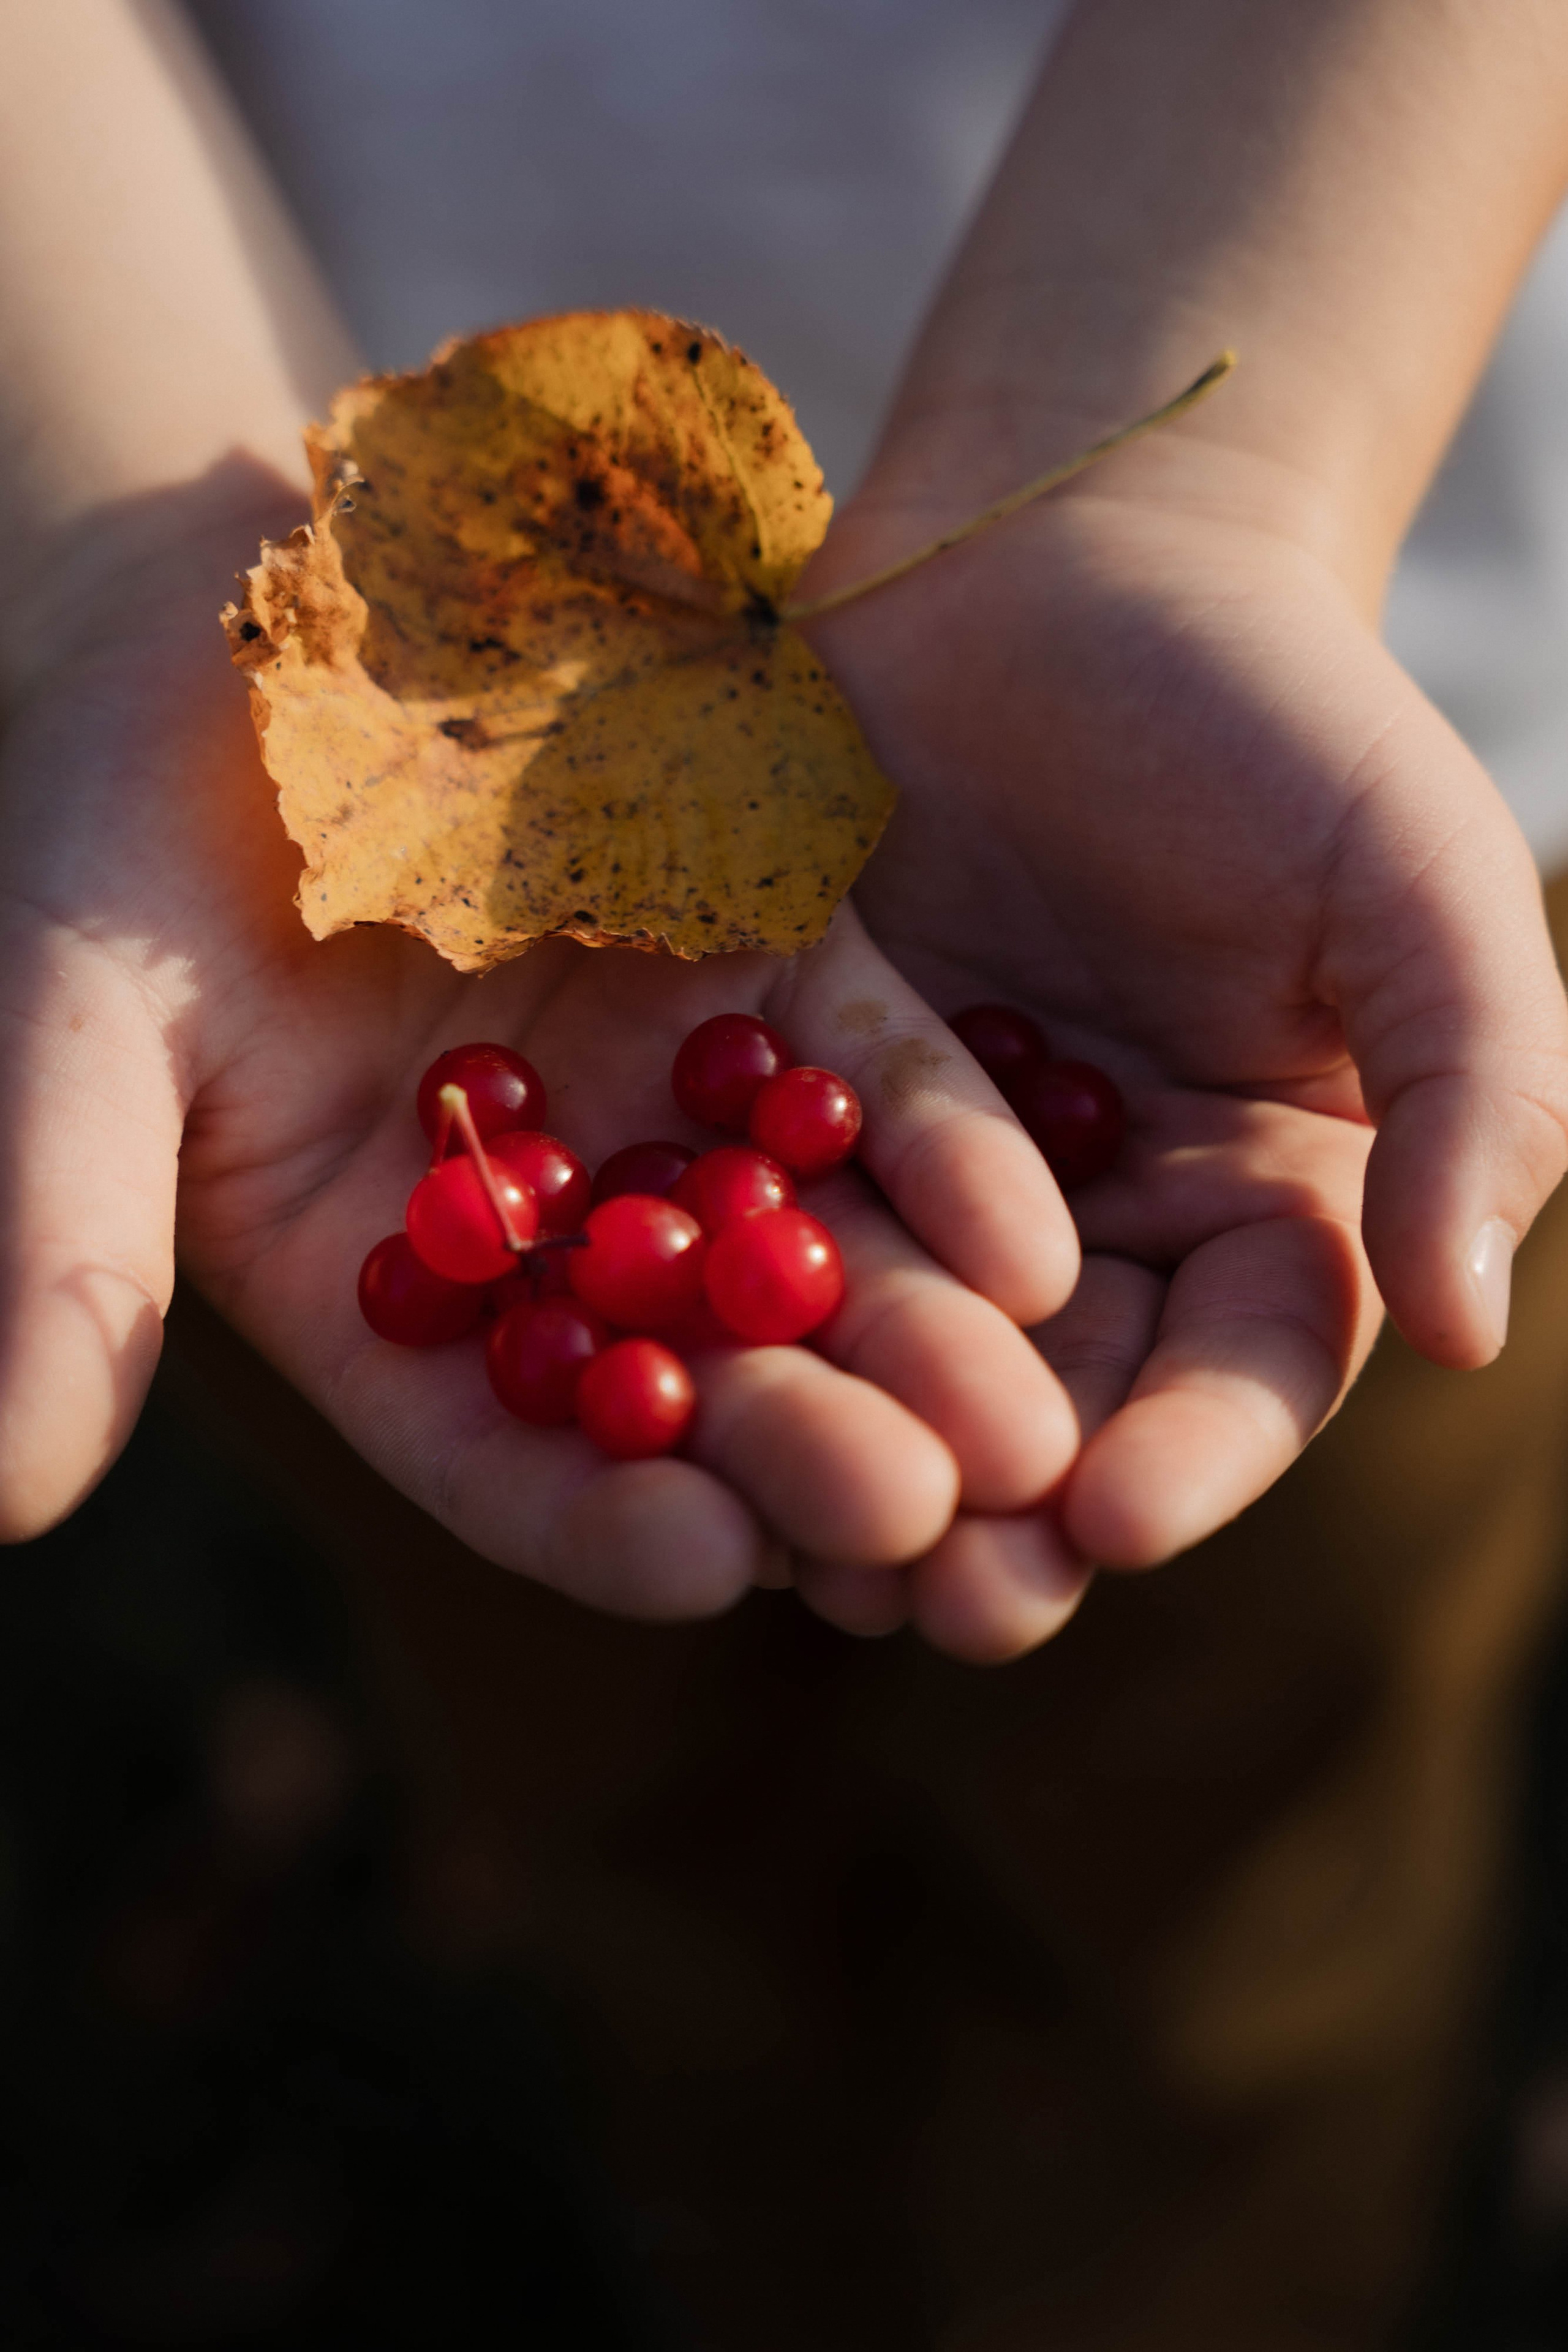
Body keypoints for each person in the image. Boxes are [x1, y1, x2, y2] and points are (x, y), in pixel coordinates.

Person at [3, 0, 1568, 2339]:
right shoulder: (432, 1087)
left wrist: (1203, 466)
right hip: (301, 523)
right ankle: (744, 2212)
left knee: (1246, 1840)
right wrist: (128, 524)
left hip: (1302, 722)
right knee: (602, 1799)